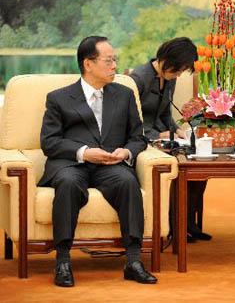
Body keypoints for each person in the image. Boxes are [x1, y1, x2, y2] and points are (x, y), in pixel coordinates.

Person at [39, 36, 156, 287]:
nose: (115, 66)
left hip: (110, 165)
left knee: (128, 182)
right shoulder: (59, 98)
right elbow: (49, 142)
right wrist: (83, 152)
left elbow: (138, 138)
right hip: (72, 163)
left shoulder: (124, 94)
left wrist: (125, 153)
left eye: (115, 60)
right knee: (69, 183)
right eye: (109, 60)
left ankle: (134, 261)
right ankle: (62, 261)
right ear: (88, 64)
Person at [130, 37, 211, 242]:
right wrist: (157, 136)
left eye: (182, 71)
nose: (178, 75)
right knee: (180, 170)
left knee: (198, 169)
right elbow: (131, 120)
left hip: (165, 139)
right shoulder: (139, 78)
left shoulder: (170, 78)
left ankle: (188, 223)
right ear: (166, 58)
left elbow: (165, 114)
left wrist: (177, 131)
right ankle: (173, 225)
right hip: (143, 139)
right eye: (177, 69)